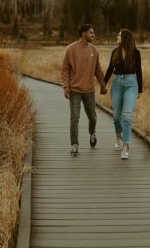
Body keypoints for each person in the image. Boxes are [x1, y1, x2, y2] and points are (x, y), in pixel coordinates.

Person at [61, 24, 105, 156]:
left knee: (93, 117)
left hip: (89, 90)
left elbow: (98, 70)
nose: (94, 35)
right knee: (74, 118)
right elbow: (65, 70)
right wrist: (66, 87)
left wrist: (102, 84)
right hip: (75, 90)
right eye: (91, 33)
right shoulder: (71, 49)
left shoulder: (94, 50)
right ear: (84, 33)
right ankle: (74, 144)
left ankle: (92, 133)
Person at [101, 29, 144, 160]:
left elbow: (139, 71)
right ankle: (118, 139)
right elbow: (109, 69)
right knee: (116, 117)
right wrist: (103, 84)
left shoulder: (136, 53)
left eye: (119, 35)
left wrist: (140, 90)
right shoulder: (115, 52)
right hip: (117, 84)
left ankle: (126, 146)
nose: (117, 37)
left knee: (127, 117)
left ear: (125, 38)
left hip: (131, 84)